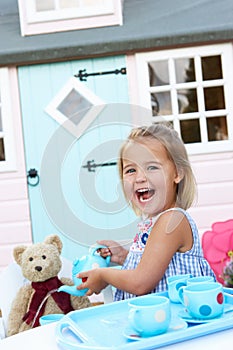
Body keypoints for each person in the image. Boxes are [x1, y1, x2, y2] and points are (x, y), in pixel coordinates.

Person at [77, 123, 215, 300]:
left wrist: (104, 275)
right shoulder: (155, 221)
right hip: (157, 322)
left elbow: (140, 282)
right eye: (131, 170)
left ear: (177, 173)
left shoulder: (172, 220)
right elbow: (157, 266)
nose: (140, 178)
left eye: (152, 167)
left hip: (176, 322)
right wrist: (126, 257)